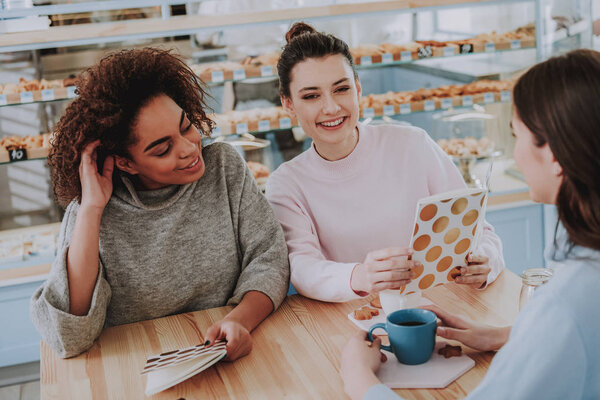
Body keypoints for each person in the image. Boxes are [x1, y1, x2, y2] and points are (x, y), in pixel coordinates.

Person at [340, 48, 600, 399]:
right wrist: (508, 334)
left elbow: (571, 323)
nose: (516, 153)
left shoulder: (568, 301)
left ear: (553, 155)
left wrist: (358, 376)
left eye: (516, 135)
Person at [30, 48, 290, 360]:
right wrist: (91, 209)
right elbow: (69, 336)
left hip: (228, 354)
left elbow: (269, 259)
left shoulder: (224, 167)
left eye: (185, 126)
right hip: (136, 368)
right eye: (162, 149)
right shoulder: (92, 212)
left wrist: (238, 320)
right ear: (126, 163)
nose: (188, 149)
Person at [265, 23, 504, 302]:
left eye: (341, 89)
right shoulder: (287, 184)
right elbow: (302, 267)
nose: (330, 107)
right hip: (349, 323)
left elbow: (479, 232)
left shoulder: (412, 144)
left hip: (437, 309)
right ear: (289, 104)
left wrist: (485, 261)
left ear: (357, 89)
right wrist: (361, 276)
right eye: (311, 96)